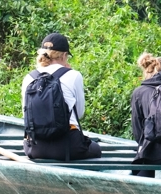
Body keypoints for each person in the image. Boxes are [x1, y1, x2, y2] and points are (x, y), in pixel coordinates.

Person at [21, 33, 102, 162]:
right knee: (96, 149)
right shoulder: (74, 75)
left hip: (35, 148)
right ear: (64, 55)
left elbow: (25, 114)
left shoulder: (29, 78)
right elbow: (79, 113)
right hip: (68, 147)